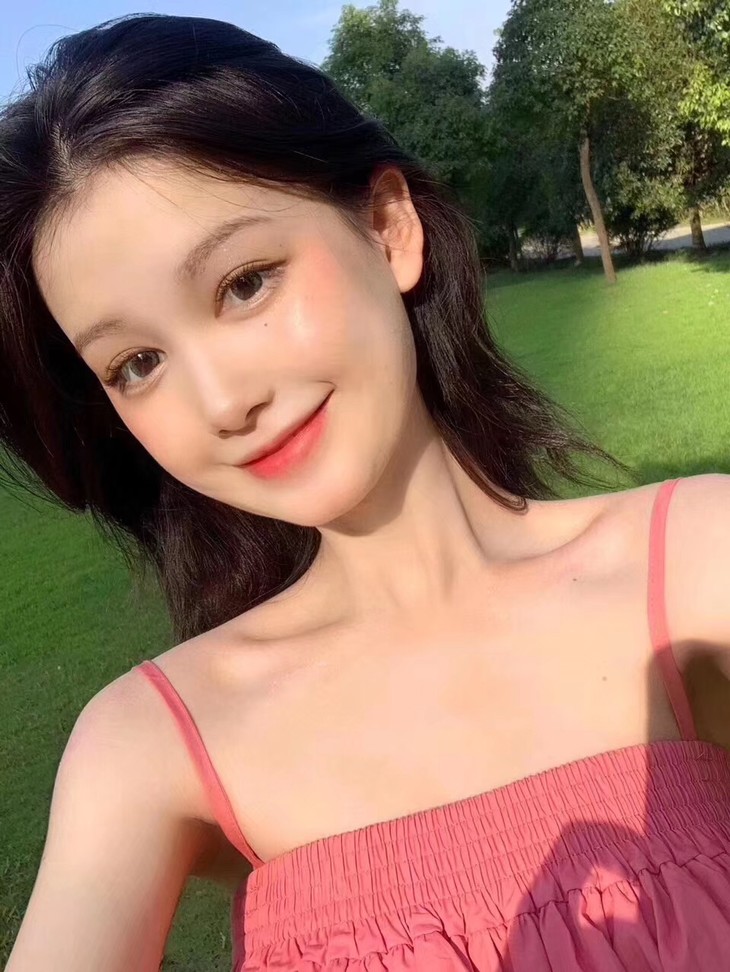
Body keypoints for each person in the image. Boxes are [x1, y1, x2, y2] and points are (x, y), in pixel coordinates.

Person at [2, 12, 729, 972]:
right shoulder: (149, 749)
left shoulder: (696, 563)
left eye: (245, 283)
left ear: (388, 230)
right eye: (137, 363)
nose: (222, 403)